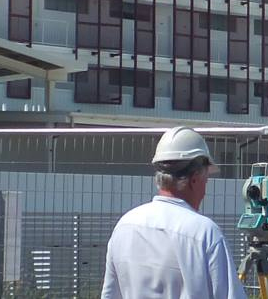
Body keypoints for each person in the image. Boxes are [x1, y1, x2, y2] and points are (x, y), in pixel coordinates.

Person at [102, 127, 248, 299]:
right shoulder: (204, 233)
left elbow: (110, 294)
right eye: (206, 180)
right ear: (195, 179)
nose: (205, 191)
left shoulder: (124, 225)